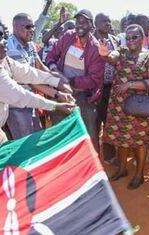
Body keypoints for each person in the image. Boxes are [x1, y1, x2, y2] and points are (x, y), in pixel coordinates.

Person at [0, 26, 75, 161]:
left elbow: (27, 72)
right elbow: (21, 96)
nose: (5, 42)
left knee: (5, 171)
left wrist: (56, 83)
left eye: (4, 38)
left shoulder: (0, 59)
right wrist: (56, 106)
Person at [99, 24, 149, 189]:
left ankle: (139, 174)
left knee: (140, 140)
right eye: (128, 38)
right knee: (121, 138)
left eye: (135, 37)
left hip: (139, 106)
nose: (131, 40)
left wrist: (131, 84)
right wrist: (105, 54)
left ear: (142, 38)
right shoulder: (122, 52)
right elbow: (111, 57)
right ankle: (122, 169)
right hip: (119, 104)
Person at [6, 13, 74, 139]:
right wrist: (58, 93)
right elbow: (31, 79)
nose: (32, 30)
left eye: (33, 27)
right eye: (28, 26)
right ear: (15, 27)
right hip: (17, 105)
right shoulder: (11, 48)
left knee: (36, 137)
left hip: (30, 100)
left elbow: (41, 68)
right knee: (26, 144)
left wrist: (61, 81)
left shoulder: (30, 44)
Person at [45, 9, 105, 152]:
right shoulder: (67, 36)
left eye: (84, 22)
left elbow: (93, 79)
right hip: (61, 93)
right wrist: (55, 70)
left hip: (83, 96)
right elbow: (51, 56)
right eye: (78, 21)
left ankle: (92, 169)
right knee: (59, 133)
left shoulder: (96, 48)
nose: (80, 25)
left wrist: (69, 81)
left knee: (87, 134)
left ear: (92, 27)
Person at [94, 13, 120, 164]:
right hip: (94, 88)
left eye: (109, 20)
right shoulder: (90, 40)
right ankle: (95, 157)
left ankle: (109, 156)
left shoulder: (115, 40)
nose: (108, 23)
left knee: (109, 122)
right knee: (94, 123)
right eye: (104, 21)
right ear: (96, 24)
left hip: (111, 88)